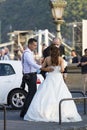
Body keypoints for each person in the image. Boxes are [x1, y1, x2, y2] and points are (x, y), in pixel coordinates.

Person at [24, 44, 82, 123]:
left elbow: (42, 68)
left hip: (50, 78)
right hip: (58, 78)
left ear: (51, 51)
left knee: (46, 95)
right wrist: (61, 67)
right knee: (60, 94)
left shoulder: (47, 59)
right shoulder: (60, 59)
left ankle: (45, 112)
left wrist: (48, 69)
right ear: (58, 52)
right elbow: (62, 70)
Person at [20, 38, 53, 118]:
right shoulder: (27, 53)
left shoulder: (28, 53)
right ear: (30, 44)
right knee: (31, 94)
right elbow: (31, 64)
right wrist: (41, 68)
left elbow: (31, 64)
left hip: (30, 75)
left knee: (30, 94)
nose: (35, 47)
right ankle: (25, 112)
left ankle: (24, 112)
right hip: (30, 75)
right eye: (34, 45)